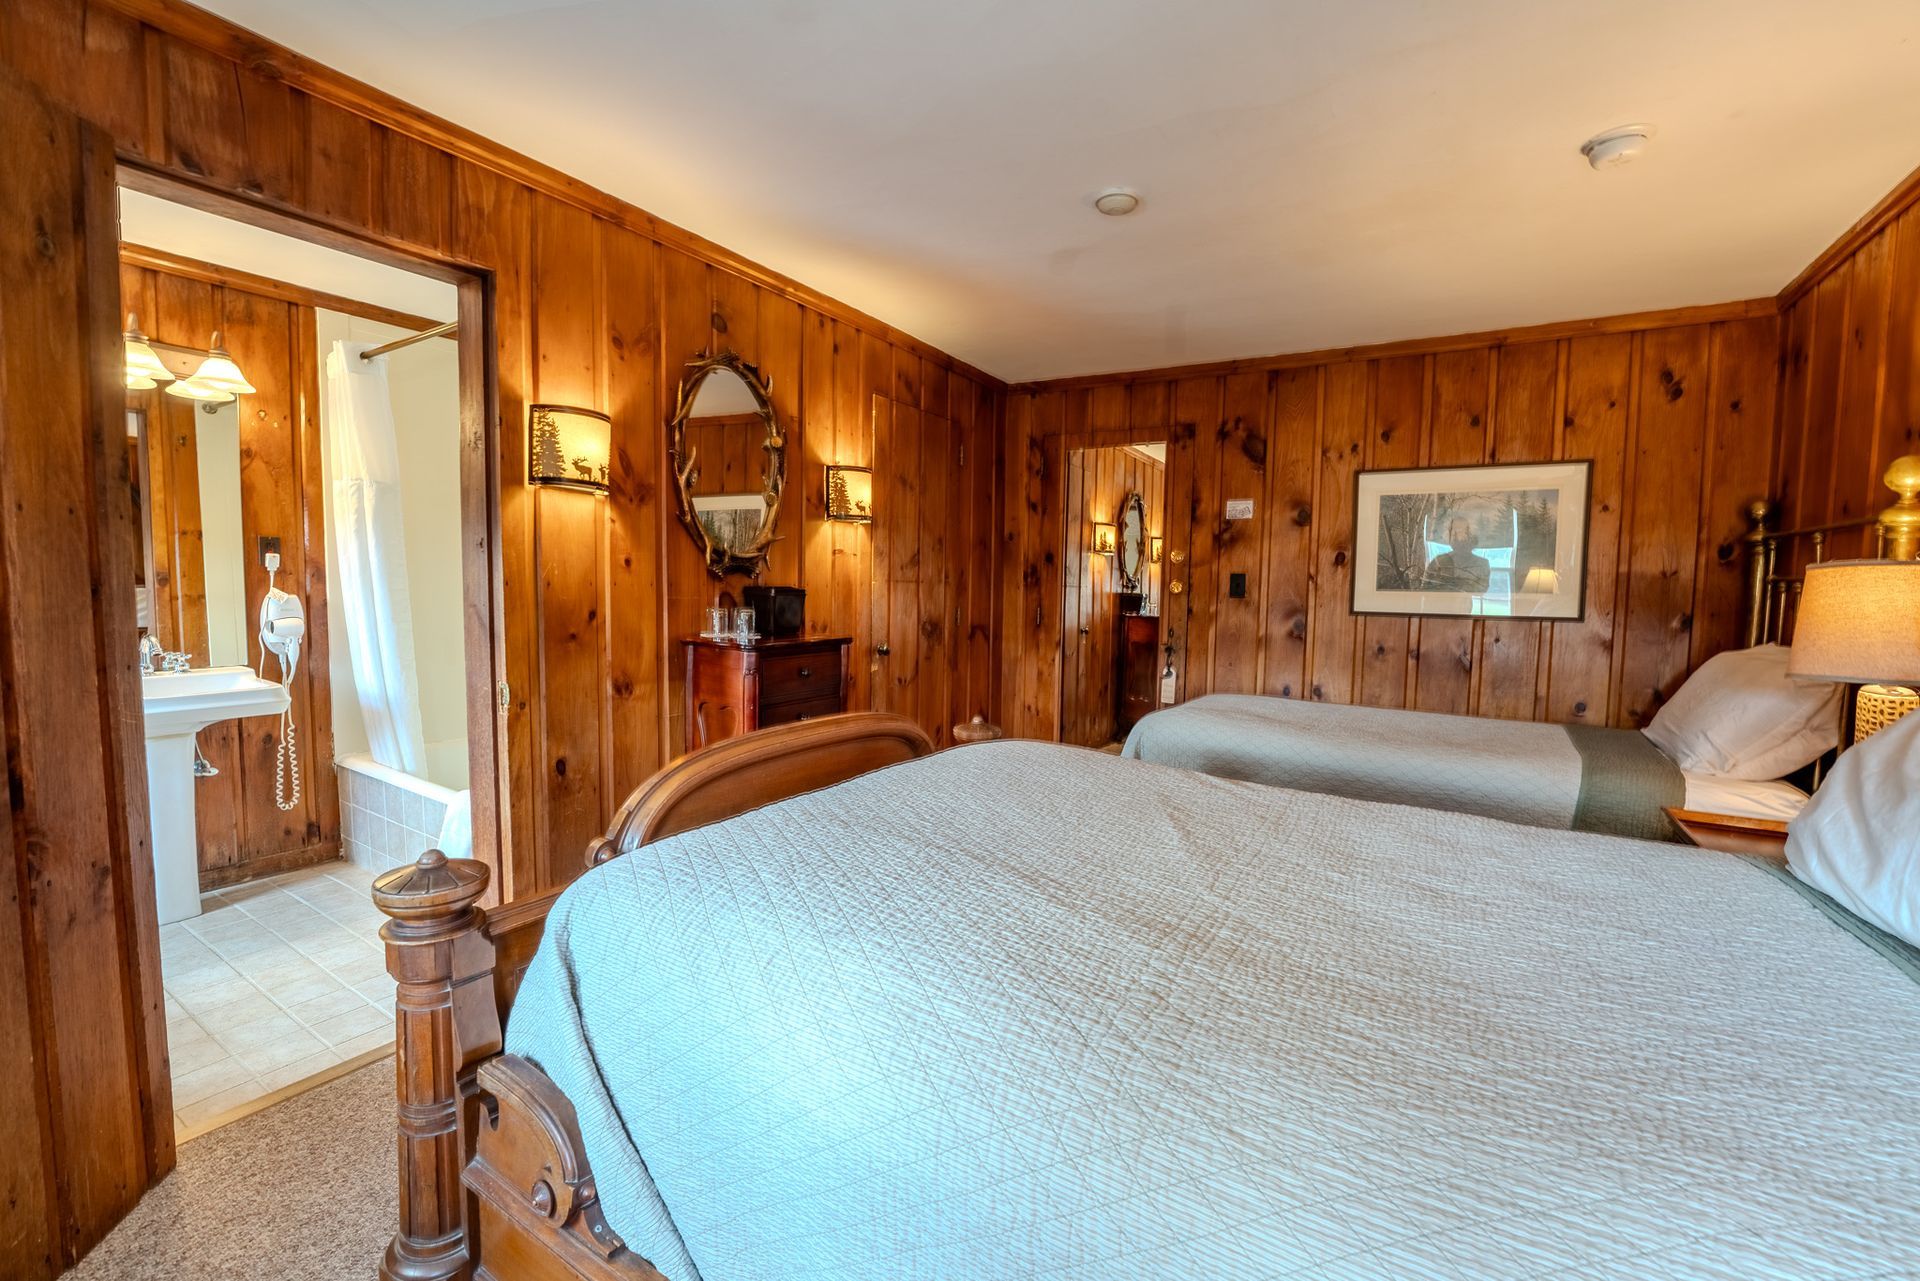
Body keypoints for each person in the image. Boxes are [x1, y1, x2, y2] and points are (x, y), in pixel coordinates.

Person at [1422, 516, 1491, 592]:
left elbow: (1481, 590)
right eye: (1454, 534)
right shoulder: (1438, 562)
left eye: (1464, 534)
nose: (1460, 538)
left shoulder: (1482, 564)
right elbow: (1425, 590)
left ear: (1472, 537)